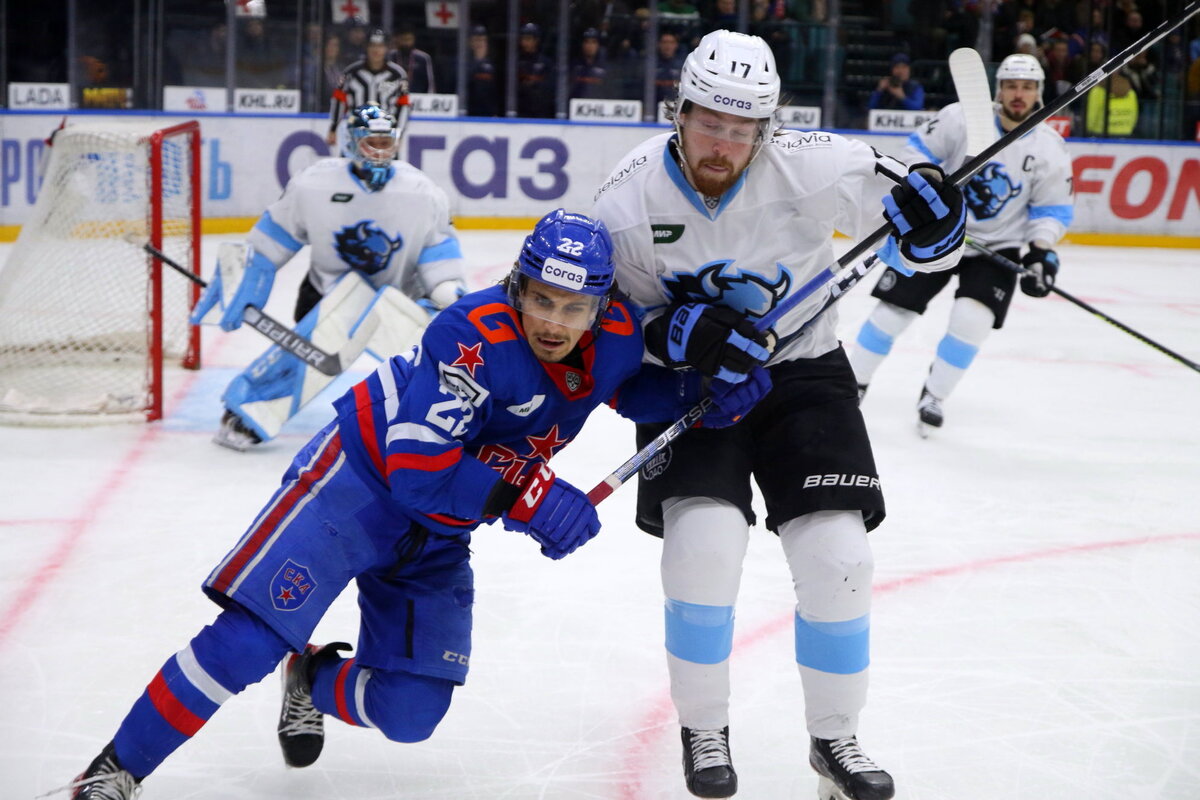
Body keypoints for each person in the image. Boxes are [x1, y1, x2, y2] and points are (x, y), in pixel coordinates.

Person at [64, 208, 769, 800]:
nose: (555, 322)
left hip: (438, 529)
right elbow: (417, 468)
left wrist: (701, 402)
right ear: (518, 286)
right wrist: (527, 499)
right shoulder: (469, 336)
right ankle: (115, 771)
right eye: (542, 301)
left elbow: (624, 393)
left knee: (409, 711)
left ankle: (311, 677)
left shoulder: (613, 335)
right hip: (359, 487)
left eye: (575, 307)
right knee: (248, 638)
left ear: (603, 305)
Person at [590, 29, 966, 800]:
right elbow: (612, 323)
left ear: (767, 126)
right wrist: (673, 334)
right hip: (697, 387)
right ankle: (704, 725)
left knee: (840, 560)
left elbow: (917, 224)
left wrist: (940, 223)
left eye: (742, 128)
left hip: (804, 373)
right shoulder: (625, 202)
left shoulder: (816, 162)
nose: (723, 144)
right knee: (703, 548)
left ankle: (835, 741)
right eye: (708, 122)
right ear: (679, 111)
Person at [192, 104, 467, 451]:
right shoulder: (314, 184)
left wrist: (447, 291)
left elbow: (438, 249)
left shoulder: (421, 191)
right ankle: (248, 412)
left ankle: (441, 421)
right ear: (351, 144)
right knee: (320, 338)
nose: (380, 151)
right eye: (371, 143)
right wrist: (251, 277)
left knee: (430, 362)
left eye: (387, 142)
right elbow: (274, 237)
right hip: (324, 294)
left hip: (397, 297)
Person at [849, 53, 1074, 434]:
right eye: (1011, 85)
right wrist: (927, 181)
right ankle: (852, 385)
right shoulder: (960, 117)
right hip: (938, 232)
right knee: (891, 313)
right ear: (998, 88)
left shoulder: (1050, 147)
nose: (1018, 94)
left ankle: (934, 395)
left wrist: (1040, 252)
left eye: (1027, 87)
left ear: (1039, 94)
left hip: (997, 247)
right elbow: (916, 151)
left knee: (972, 320)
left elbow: (1052, 210)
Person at [326, 28, 409, 147]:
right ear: (366, 47)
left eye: (380, 46)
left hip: (385, 138)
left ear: (386, 48)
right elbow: (339, 101)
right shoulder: (351, 73)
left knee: (383, 164)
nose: (376, 50)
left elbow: (403, 106)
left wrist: (399, 132)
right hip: (355, 134)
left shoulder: (398, 75)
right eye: (372, 45)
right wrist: (333, 128)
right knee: (352, 165)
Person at [516, 22, 555, 118]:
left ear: (536, 40)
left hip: (542, 114)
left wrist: (535, 85)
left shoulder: (546, 63)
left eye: (528, 39)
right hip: (521, 114)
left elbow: (550, 90)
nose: (524, 43)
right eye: (523, 39)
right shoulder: (515, 62)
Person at [390, 24, 437, 94]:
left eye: (408, 39)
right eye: (403, 39)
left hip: (418, 97)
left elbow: (430, 82)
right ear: (398, 39)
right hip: (394, 96)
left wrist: (430, 97)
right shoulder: (391, 56)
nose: (406, 43)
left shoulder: (423, 58)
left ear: (414, 39)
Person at [466, 25, 500, 116]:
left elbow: (496, 91)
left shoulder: (492, 65)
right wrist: (477, 62)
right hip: (468, 113)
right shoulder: (464, 64)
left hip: (488, 114)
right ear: (470, 42)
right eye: (477, 40)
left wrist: (495, 112)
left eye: (483, 40)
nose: (480, 44)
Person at [569, 27, 609, 100]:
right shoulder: (573, 67)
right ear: (582, 45)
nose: (590, 46)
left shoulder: (605, 68)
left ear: (598, 45)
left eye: (593, 42)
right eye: (587, 42)